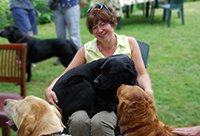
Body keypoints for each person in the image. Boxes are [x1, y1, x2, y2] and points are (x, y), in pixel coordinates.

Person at [45, 3, 154, 135]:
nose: (99, 30)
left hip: (116, 101)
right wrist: (50, 89)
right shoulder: (87, 49)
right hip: (88, 99)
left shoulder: (129, 43)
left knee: (100, 123)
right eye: (94, 27)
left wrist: (148, 90)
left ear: (112, 23)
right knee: (78, 121)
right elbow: (67, 74)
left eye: (103, 24)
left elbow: (141, 74)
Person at [52, 0, 85, 65]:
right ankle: (62, 56)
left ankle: (80, 57)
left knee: (74, 35)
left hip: (71, 5)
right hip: (57, 6)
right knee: (60, 35)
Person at [10, 0, 38, 67]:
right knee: (25, 35)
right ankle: (21, 60)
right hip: (18, 6)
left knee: (30, 36)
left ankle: (26, 59)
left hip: (30, 6)